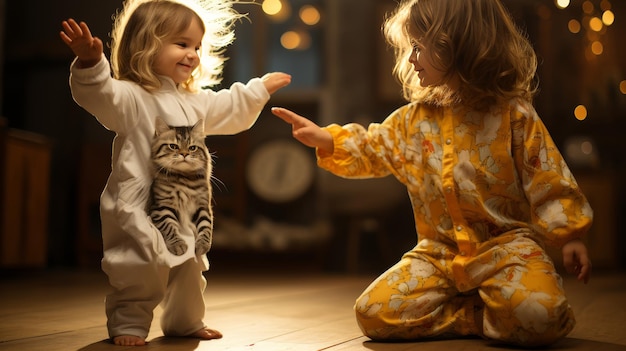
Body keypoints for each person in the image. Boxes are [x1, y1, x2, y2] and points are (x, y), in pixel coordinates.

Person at [272, 0, 592, 346]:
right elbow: (372, 146)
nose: (411, 59)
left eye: (419, 48)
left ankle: (499, 309)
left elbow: (547, 176)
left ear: (456, 44)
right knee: (372, 312)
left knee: (541, 316)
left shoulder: (514, 115)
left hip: (509, 252)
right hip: (438, 256)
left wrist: (569, 236)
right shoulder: (414, 119)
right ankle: (479, 316)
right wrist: (327, 138)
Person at [60, 0, 290, 346]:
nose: (193, 54)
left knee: (190, 267)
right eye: (182, 44)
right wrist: (91, 63)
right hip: (140, 207)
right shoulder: (131, 97)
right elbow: (101, 96)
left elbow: (228, 107)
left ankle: (185, 321)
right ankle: (129, 321)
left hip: (186, 207)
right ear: (146, 44)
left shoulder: (194, 100)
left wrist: (259, 89)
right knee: (139, 268)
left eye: (197, 46)